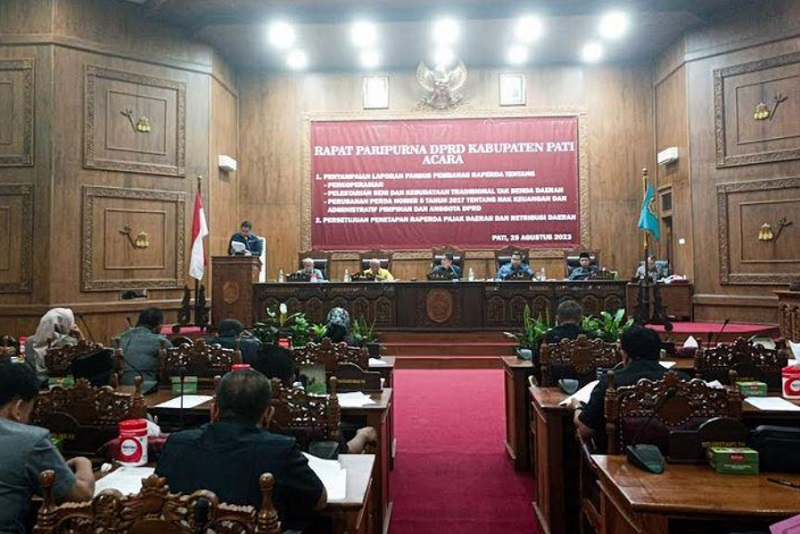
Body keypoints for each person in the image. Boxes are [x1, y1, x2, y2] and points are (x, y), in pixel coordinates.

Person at [155, 369, 326, 531]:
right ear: (268, 414)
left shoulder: (177, 443)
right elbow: (319, 501)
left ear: (214, 410)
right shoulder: (280, 450)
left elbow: (157, 499)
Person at [0, 361, 94, 533]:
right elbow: (82, 496)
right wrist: (83, 463)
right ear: (18, 408)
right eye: (31, 410)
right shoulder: (30, 440)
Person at [571, 324, 671, 448]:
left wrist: (576, 407)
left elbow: (585, 430)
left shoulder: (611, 382)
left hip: (618, 462)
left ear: (625, 354)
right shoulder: (681, 381)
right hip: (674, 460)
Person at [116, 308, 173, 388]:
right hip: (147, 388)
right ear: (159, 324)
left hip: (119, 388)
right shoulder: (161, 341)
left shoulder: (118, 338)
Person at [26, 308, 83, 379]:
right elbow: (84, 362)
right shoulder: (71, 342)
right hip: (67, 384)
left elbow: (29, 366)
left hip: (37, 382)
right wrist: (80, 336)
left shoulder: (30, 341)